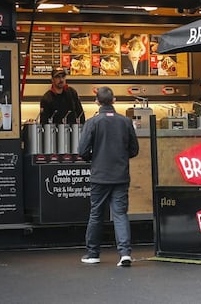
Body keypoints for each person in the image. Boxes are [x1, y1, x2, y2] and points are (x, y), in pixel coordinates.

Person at [78, 86, 139, 267]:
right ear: (114, 101)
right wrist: (120, 157)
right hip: (120, 175)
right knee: (120, 214)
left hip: (99, 176)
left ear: (96, 101)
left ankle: (93, 253)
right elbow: (134, 150)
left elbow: (82, 151)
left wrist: (95, 157)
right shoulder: (125, 122)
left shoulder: (92, 122)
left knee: (96, 214)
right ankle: (125, 253)